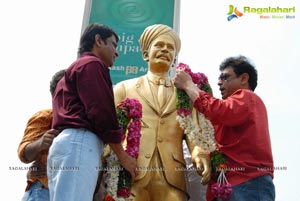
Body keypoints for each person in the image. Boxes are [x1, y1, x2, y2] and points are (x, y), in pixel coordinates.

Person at [113, 24, 211, 201]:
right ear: (145, 53)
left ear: (174, 59)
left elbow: (193, 133)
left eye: (170, 48)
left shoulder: (185, 94)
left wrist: (199, 153)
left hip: (172, 178)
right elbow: (111, 129)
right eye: (159, 45)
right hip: (132, 173)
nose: (165, 50)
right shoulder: (123, 88)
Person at [47, 23, 137, 201]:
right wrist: (122, 155)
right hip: (79, 143)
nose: (117, 52)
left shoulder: (74, 69)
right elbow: (102, 113)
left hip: (65, 146)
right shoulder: (92, 64)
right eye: (113, 44)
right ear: (98, 40)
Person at [174, 55, 275, 201]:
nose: (219, 83)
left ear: (244, 79)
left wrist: (189, 86)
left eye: (225, 77)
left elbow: (218, 110)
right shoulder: (230, 116)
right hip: (229, 186)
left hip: (248, 183)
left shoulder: (247, 97)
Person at [18, 69, 65, 201]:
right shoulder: (45, 117)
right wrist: (41, 142)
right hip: (43, 192)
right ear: (55, 96)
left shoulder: (86, 120)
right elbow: (24, 153)